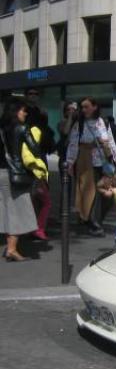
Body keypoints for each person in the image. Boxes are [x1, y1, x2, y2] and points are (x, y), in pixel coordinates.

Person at [66, 97, 116, 237]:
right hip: (86, 159)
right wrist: (70, 162)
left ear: (95, 107)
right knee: (90, 193)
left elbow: (110, 141)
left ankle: (95, 219)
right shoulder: (79, 123)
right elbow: (73, 143)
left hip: (104, 161)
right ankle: (94, 223)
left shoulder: (103, 122)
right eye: (82, 107)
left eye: (86, 106)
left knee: (110, 191)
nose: (84, 110)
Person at [0, 99, 39, 262]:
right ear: (16, 112)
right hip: (14, 174)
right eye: (23, 111)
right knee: (18, 210)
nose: (25, 113)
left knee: (6, 209)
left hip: (1, 172)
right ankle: (11, 249)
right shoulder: (22, 128)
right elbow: (35, 148)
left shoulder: (2, 129)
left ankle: (10, 247)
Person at [26, 107, 55, 241]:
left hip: (33, 170)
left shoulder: (27, 129)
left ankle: (33, 228)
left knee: (35, 200)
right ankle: (39, 228)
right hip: (38, 170)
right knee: (45, 201)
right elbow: (49, 148)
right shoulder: (40, 131)